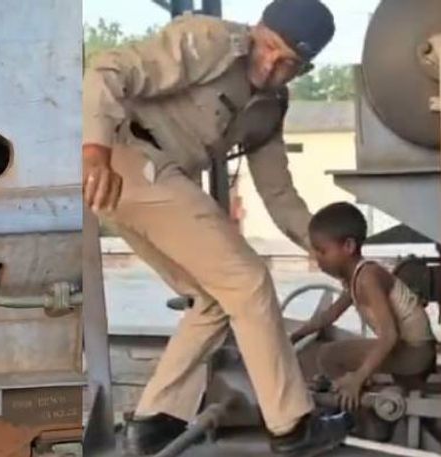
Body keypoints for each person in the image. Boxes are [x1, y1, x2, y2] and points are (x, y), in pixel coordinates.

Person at [82, 0, 351, 455]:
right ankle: (291, 426)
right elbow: (107, 70)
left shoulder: (271, 108)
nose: (271, 64)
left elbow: (279, 193)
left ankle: (155, 421)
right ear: (256, 30)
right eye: (268, 47)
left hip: (152, 182)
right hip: (127, 158)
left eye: (288, 62)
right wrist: (95, 153)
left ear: (304, 68)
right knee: (247, 281)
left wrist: (329, 252)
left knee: (214, 298)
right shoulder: (211, 42)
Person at [291, 202, 437, 411]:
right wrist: (295, 336)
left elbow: (390, 336)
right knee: (329, 353)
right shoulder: (355, 278)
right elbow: (329, 316)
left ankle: (351, 405)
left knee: (328, 356)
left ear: (348, 247)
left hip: (414, 354)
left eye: (322, 251)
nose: (317, 259)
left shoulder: (367, 278)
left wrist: (357, 378)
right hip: (415, 351)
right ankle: (359, 398)